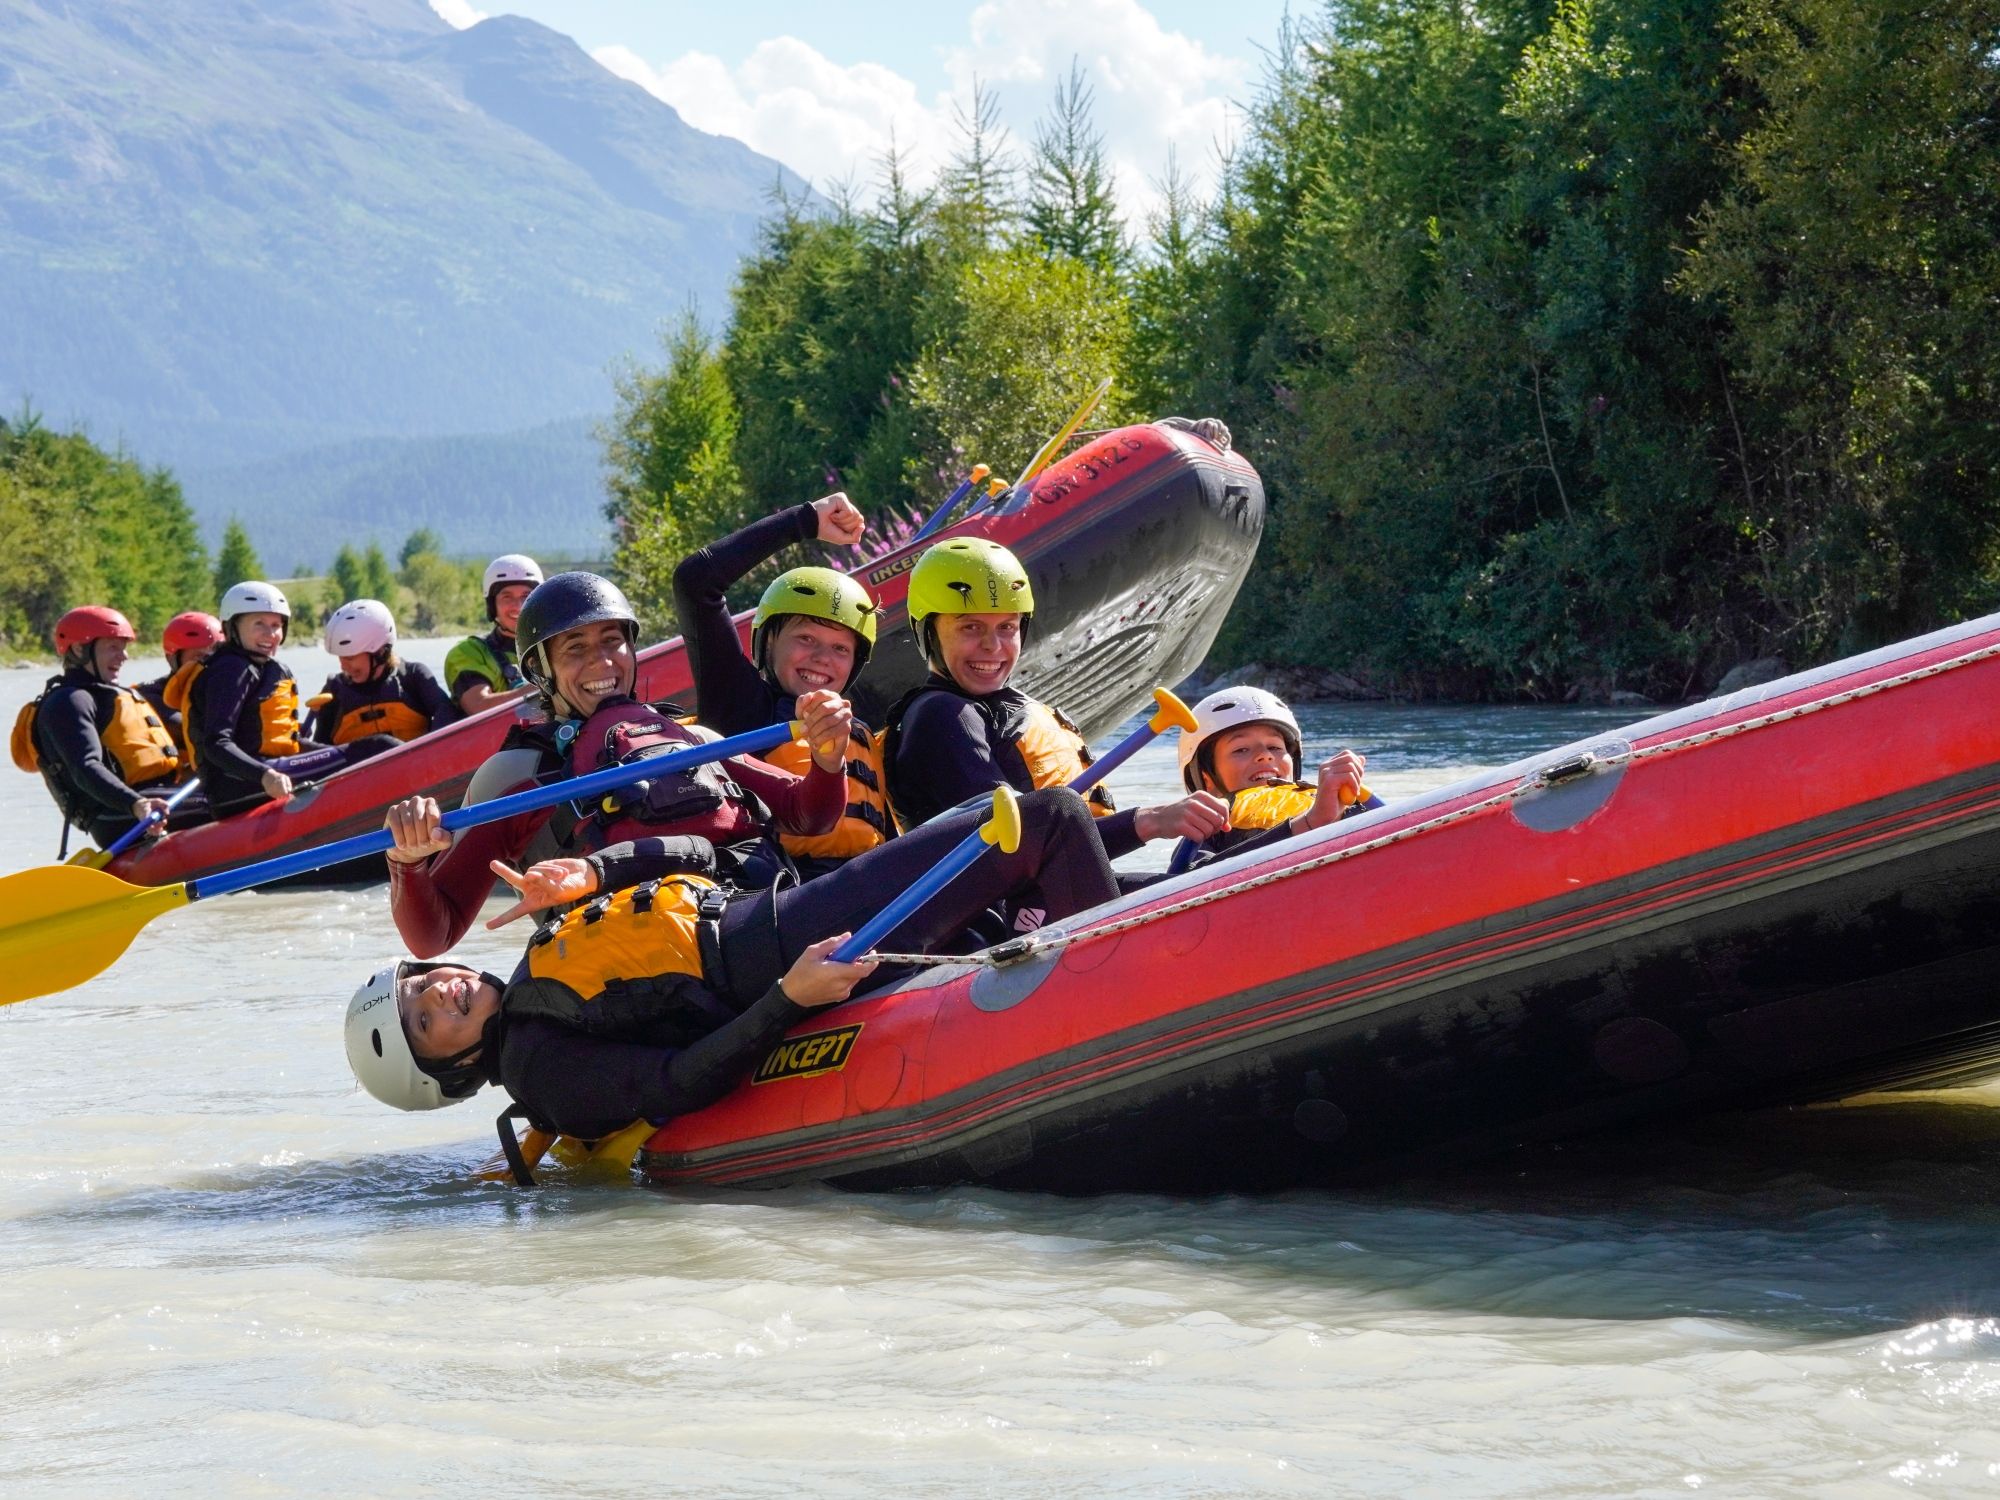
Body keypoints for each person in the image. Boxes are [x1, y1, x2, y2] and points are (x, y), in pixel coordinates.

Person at [345, 783, 1121, 1146]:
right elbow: (681, 1080)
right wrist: (789, 997)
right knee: (1045, 819)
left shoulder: (538, 955)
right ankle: (1118, 995)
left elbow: (703, 854)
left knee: (997, 839)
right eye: (425, 1022)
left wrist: (597, 872)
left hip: (789, 905)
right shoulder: (541, 1070)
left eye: (421, 984)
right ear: (446, 1073)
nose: (439, 991)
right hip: (794, 950)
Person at [383, 571, 852, 959]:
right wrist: (405, 861)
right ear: (541, 670)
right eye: (575, 649)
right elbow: (433, 936)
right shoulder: (517, 775)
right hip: (630, 969)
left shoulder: (694, 739)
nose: (601, 661)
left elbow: (808, 814)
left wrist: (828, 759)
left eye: (613, 641)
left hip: (747, 932)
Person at [880, 537, 1228, 896]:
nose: (993, 646)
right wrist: (1152, 821)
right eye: (970, 627)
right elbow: (1020, 846)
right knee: (1206, 896)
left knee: (1221, 880)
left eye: (1007, 627)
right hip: (1000, 921)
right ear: (928, 631)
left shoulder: (999, 709)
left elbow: (1065, 849)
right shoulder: (942, 716)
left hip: (1047, 897)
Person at [674, 492, 890, 877]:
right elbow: (695, 583)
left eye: (841, 648)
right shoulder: (741, 706)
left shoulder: (856, 732)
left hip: (870, 887)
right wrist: (804, 521)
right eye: (805, 639)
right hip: (781, 892)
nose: (823, 658)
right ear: (768, 642)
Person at [182, 581, 401, 816]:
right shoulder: (230, 670)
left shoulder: (254, 667)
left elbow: (280, 741)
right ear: (232, 626)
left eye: (276, 625)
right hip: (241, 785)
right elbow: (216, 743)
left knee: (362, 751)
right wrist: (265, 776)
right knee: (378, 748)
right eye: (259, 624)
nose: (270, 634)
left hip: (263, 772)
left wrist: (334, 752)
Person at [8, 606, 208, 850]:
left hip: (154, 797)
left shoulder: (107, 695)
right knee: (218, 803)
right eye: (113, 647)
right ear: (80, 648)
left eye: (123, 647)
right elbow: (86, 767)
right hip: (118, 815)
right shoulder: (68, 702)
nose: (123, 656)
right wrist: (136, 804)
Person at [1165, 686, 1382, 875]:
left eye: (1275, 747)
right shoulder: (1207, 837)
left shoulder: (1344, 806)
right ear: (1207, 779)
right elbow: (1187, 884)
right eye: (1241, 749)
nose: (1265, 755)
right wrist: (1312, 823)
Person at [309, 599, 458, 746]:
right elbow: (320, 751)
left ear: (381, 652)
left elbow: (447, 714)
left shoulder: (413, 677)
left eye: (350, 658)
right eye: (340, 658)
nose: (343, 667)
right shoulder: (334, 692)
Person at [444, 554, 543, 715]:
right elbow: (478, 706)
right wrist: (546, 687)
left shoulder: (557, 647)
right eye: (507, 597)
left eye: (526, 596)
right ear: (492, 605)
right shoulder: (469, 652)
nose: (518, 606)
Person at [136, 611, 224, 761]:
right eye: (199, 657)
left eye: (213, 657)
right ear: (171, 659)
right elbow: (185, 727)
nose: (208, 665)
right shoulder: (151, 695)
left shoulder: (229, 689)